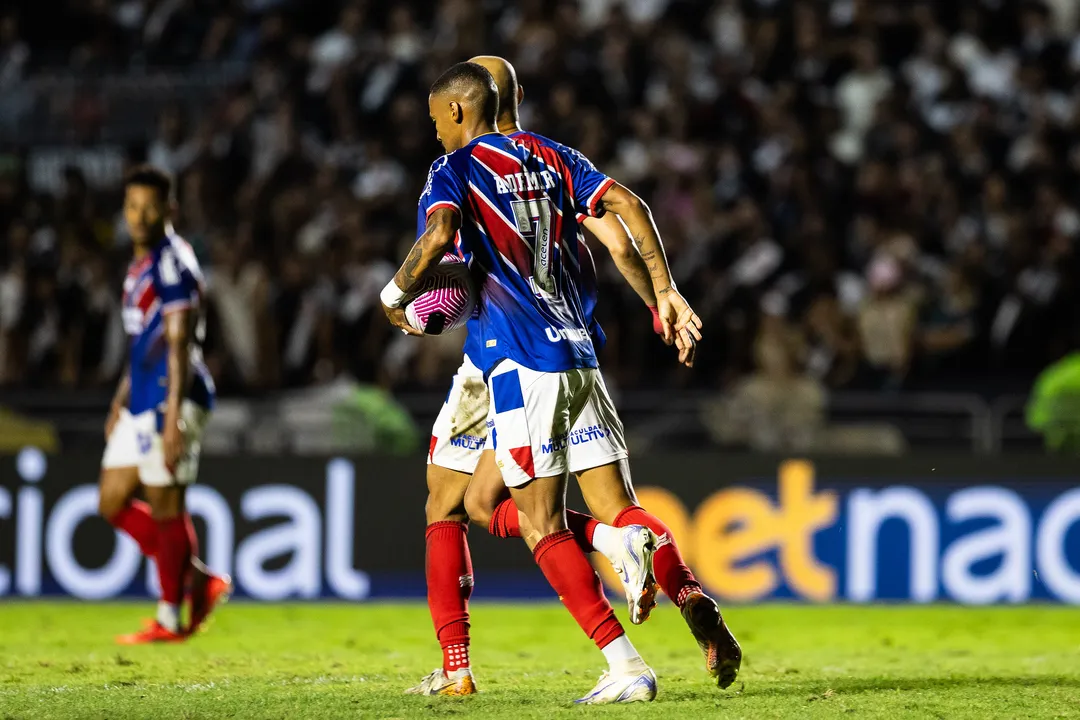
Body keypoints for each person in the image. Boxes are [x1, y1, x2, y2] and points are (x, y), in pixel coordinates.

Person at [383, 61, 675, 704]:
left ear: (461, 109)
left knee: (532, 517)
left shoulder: (454, 169)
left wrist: (400, 297)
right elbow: (620, 228)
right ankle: (456, 667)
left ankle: (623, 657)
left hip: (510, 355)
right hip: (551, 351)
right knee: (460, 501)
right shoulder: (553, 160)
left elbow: (445, 250)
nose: (433, 131)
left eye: (435, 118)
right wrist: (664, 294)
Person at [97, 166, 231, 644]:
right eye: (133, 206)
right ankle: (197, 579)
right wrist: (120, 398)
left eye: (150, 207)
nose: (139, 216)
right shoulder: (139, 263)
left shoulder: (172, 261)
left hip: (172, 398)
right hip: (142, 396)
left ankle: (170, 617)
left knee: (166, 507)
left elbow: (178, 345)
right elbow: (142, 341)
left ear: (169, 210)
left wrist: (172, 416)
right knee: (112, 499)